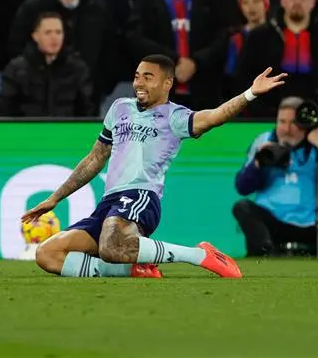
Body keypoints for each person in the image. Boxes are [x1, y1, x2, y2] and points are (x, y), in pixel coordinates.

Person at [21, 54, 286, 278]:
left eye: (148, 76)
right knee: (48, 254)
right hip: (108, 203)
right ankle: (134, 270)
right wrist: (55, 198)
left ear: (167, 82)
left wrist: (250, 93)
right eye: (137, 76)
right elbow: (94, 158)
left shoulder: (176, 117)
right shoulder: (119, 108)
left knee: (111, 246)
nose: (139, 82)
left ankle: (198, 255)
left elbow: (215, 116)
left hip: (140, 197)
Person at [232, 96, 318, 257]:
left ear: (305, 123)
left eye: (293, 123)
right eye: (282, 122)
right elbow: (242, 187)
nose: (286, 129)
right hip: (273, 221)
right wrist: (258, 162)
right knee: (242, 206)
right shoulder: (263, 141)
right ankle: (261, 255)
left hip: (314, 223)